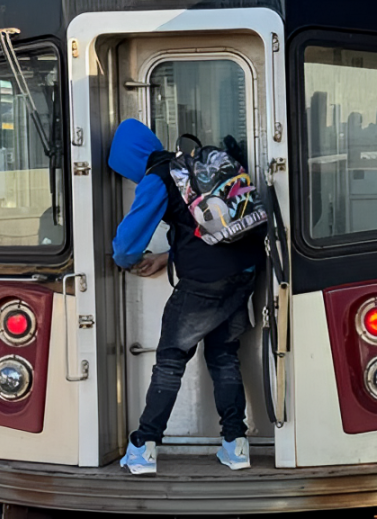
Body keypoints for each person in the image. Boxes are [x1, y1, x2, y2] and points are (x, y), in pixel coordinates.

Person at [109, 119, 265, 474]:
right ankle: (236, 445)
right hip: (243, 271)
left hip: (204, 283)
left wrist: (126, 260)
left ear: (128, 161)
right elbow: (204, 227)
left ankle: (143, 446)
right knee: (224, 356)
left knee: (170, 360)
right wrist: (168, 256)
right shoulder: (189, 164)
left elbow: (125, 247)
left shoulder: (156, 179)